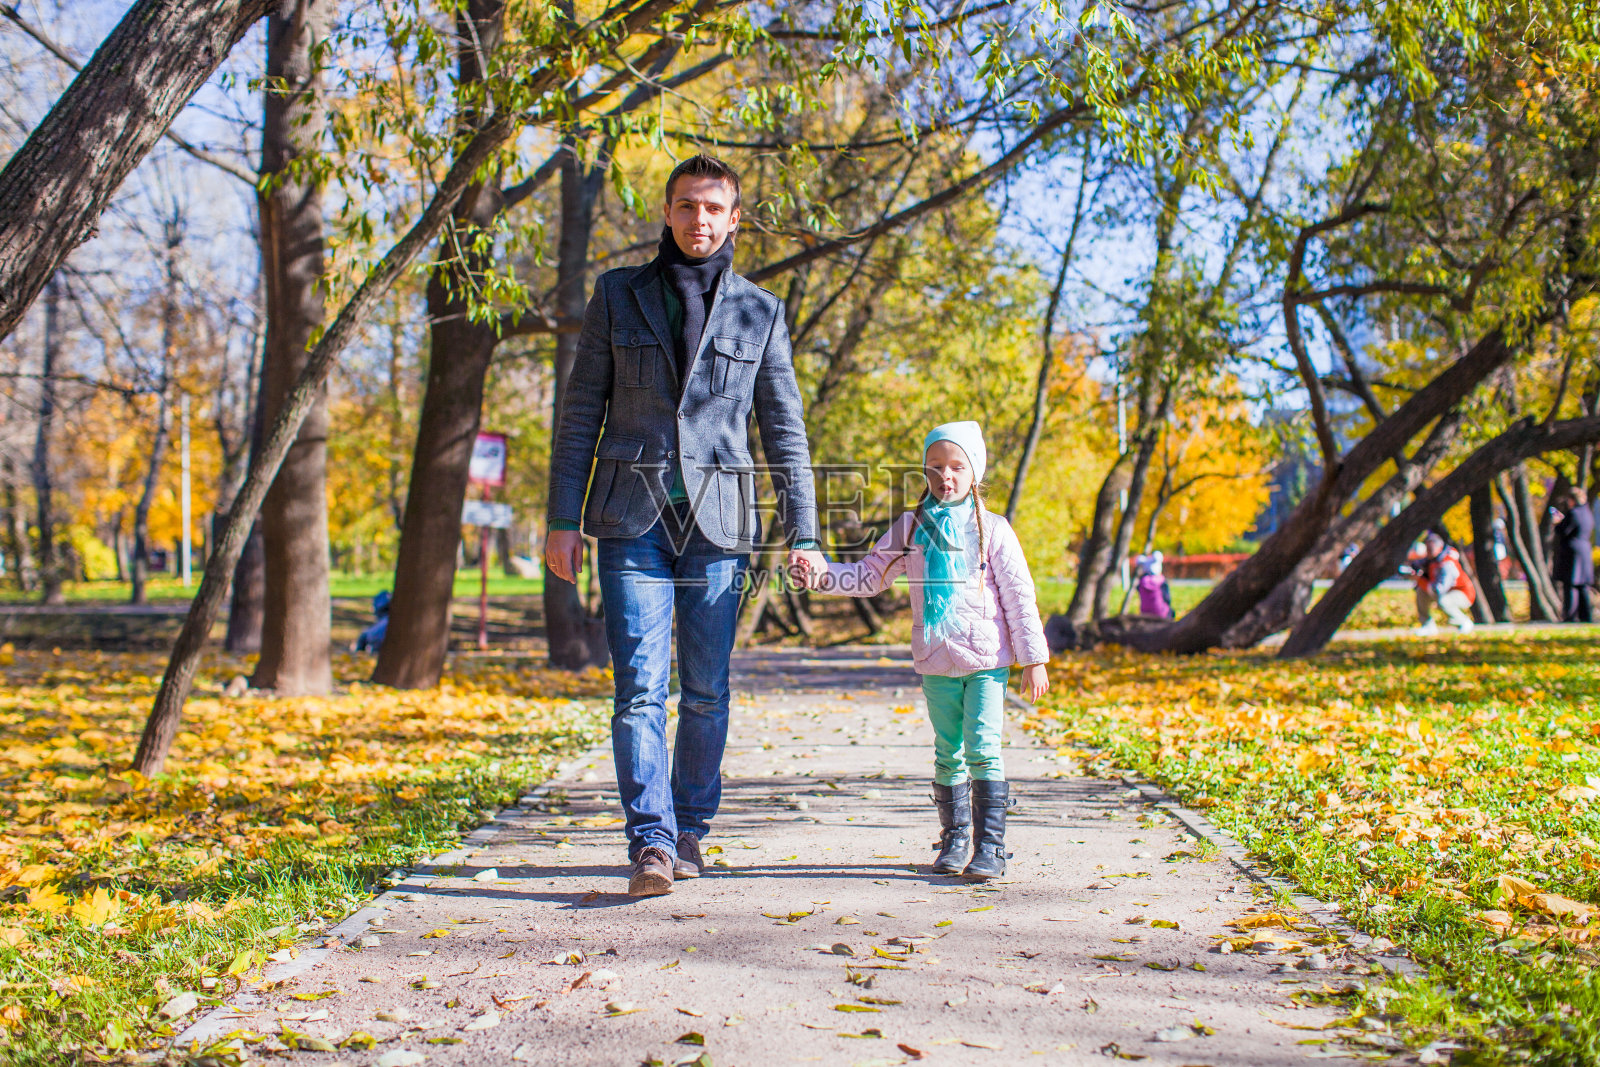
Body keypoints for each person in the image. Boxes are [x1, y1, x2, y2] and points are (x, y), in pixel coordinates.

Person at [544, 154, 826, 897]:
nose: (699, 219)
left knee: (705, 689)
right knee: (638, 688)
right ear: (666, 213)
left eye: (713, 208)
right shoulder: (617, 296)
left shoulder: (759, 311)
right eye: (685, 206)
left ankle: (692, 826)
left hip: (720, 526)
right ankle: (650, 843)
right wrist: (560, 519)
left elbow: (783, 426)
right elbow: (581, 413)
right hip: (630, 518)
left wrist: (805, 530)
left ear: (735, 219)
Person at [798, 422, 1050, 880]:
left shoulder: (993, 531)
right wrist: (821, 576)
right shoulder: (912, 528)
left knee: (983, 748)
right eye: (935, 468)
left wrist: (1034, 660)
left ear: (975, 472)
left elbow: (1019, 596)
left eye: (957, 467)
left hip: (988, 661)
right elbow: (871, 574)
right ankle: (954, 839)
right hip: (936, 658)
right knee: (947, 751)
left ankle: (990, 846)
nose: (945, 477)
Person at [1414, 531, 1475, 635]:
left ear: (1439, 547)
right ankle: (1427, 626)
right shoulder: (1431, 560)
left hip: (1463, 594)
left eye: (1430, 549)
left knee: (1443, 600)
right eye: (1427, 549)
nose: (1428, 552)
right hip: (1445, 592)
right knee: (1421, 592)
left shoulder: (1447, 563)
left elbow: (1439, 590)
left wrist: (1419, 579)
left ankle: (1464, 622)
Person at [1552, 486, 1595, 623]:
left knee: (1570, 583)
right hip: (1584, 550)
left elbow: (1562, 531)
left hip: (1572, 551)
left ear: (1571, 500)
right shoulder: (1587, 513)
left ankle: (1570, 615)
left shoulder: (1574, 513)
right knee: (1582, 585)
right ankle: (1585, 615)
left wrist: (1558, 522)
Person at [1134, 551, 1172, 619]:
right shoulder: (1161, 582)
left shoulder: (1141, 582)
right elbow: (1167, 599)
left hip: (1145, 614)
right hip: (1161, 613)